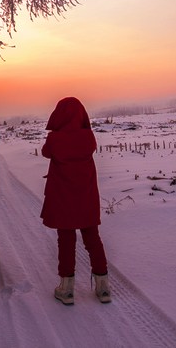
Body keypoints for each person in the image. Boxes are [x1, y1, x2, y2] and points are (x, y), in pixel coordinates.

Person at [40, 97, 111, 304]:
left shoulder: (55, 139)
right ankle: (103, 287)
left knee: (66, 241)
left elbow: (46, 153)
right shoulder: (89, 137)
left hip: (63, 199)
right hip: (86, 198)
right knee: (93, 240)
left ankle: (67, 288)